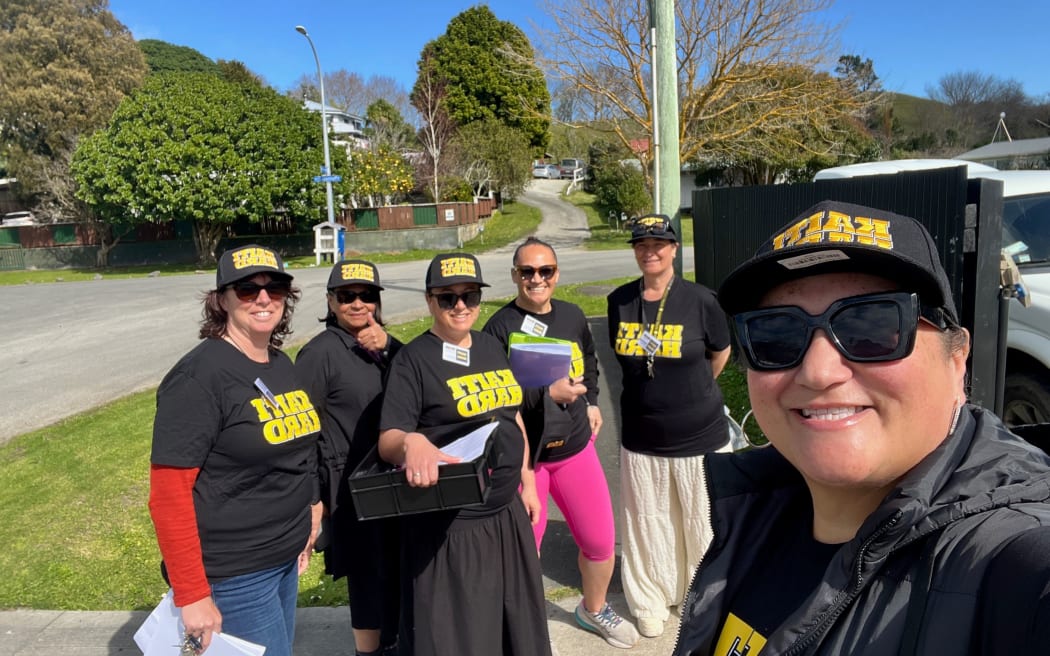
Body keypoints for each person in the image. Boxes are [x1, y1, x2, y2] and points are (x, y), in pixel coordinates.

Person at [673, 200, 1050, 655]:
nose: (817, 371)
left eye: (872, 326)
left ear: (957, 360)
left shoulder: (1013, 564)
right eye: (776, 334)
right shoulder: (756, 516)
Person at [149, 244, 321, 656]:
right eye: (247, 289)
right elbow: (168, 495)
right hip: (235, 573)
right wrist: (191, 594)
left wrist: (312, 509)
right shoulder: (198, 378)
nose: (263, 298)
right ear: (222, 299)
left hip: (283, 556)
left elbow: (299, 448)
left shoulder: (279, 363)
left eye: (274, 287)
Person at [377, 252, 552, 656]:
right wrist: (412, 442)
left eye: (470, 296)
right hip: (455, 527)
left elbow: (512, 417)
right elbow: (388, 438)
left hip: (506, 513)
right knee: (465, 635)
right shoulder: (414, 360)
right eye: (447, 298)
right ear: (429, 301)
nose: (460, 306)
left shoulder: (491, 345)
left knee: (516, 627)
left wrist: (526, 480)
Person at [483, 237, 641, 649]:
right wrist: (546, 395)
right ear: (515, 275)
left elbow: (587, 360)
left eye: (545, 271)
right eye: (527, 271)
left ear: (556, 274)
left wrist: (589, 399)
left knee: (601, 542)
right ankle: (517, 630)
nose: (537, 279)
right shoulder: (498, 328)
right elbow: (496, 399)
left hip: (572, 450)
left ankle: (592, 609)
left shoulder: (571, 316)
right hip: (525, 459)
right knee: (521, 555)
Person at [606, 214, 732, 638]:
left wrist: (694, 391)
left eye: (658, 243)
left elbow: (721, 352)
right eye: (641, 244)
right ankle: (651, 598)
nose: (650, 251)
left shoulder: (701, 300)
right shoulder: (619, 301)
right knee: (647, 521)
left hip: (699, 434)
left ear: (674, 249)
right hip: (641, 436)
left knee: (701, 521)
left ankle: (702, 597)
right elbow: (624, 360)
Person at [295, 259, 401, 656]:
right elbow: (302, 434)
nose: (358, 304)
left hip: (393, 479)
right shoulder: (319, 353)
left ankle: (394, 643)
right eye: (346, 296)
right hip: (350, 486)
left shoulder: (383, 345)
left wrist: (389, 346)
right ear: (331, 301)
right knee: (367, 580)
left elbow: (420, 371)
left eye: (367, 295)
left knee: (395, 570)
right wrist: (313, 498)